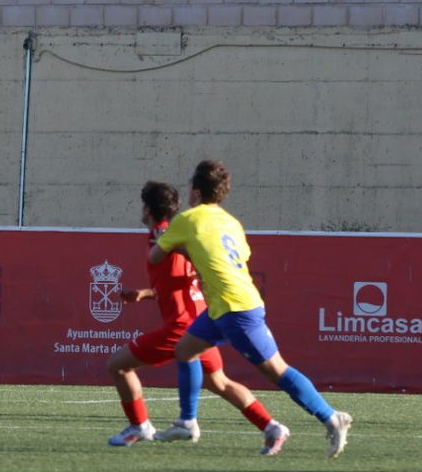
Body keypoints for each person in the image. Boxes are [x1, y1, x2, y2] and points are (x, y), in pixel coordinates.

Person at [156, 159, 353, 457]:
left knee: (277, 371)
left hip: (236, 310)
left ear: (195, 191)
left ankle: (330, 417)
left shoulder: (188, 219)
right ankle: (187, 421)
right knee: (185, 350)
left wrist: (170, 242)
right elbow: (238, 255)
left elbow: (158, 253)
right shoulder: (231, 222)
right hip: (223, 307)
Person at [106, 180, 290, 456]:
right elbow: (182, 281)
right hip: (200, 325)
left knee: (118, 365)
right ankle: (272, 427)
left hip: (181, 327)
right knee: (220, 383)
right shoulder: (171, 236)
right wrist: (144, 294)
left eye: (143, 205)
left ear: (148, 209)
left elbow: (190, 269)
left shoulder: (166, 238)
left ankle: (139, 425)